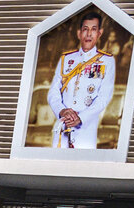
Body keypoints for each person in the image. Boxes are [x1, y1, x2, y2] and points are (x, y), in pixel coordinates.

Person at [45, 8, 118, 150]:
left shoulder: (106, 61)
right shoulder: (66, 59)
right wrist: (62, 111)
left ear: (99, 33)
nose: (89, 34)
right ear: (79, 33)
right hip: (63, 124)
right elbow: (53, 92)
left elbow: (104, 97)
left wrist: (81, 118)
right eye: (85, 29)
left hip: (86, 129)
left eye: (93, 29)